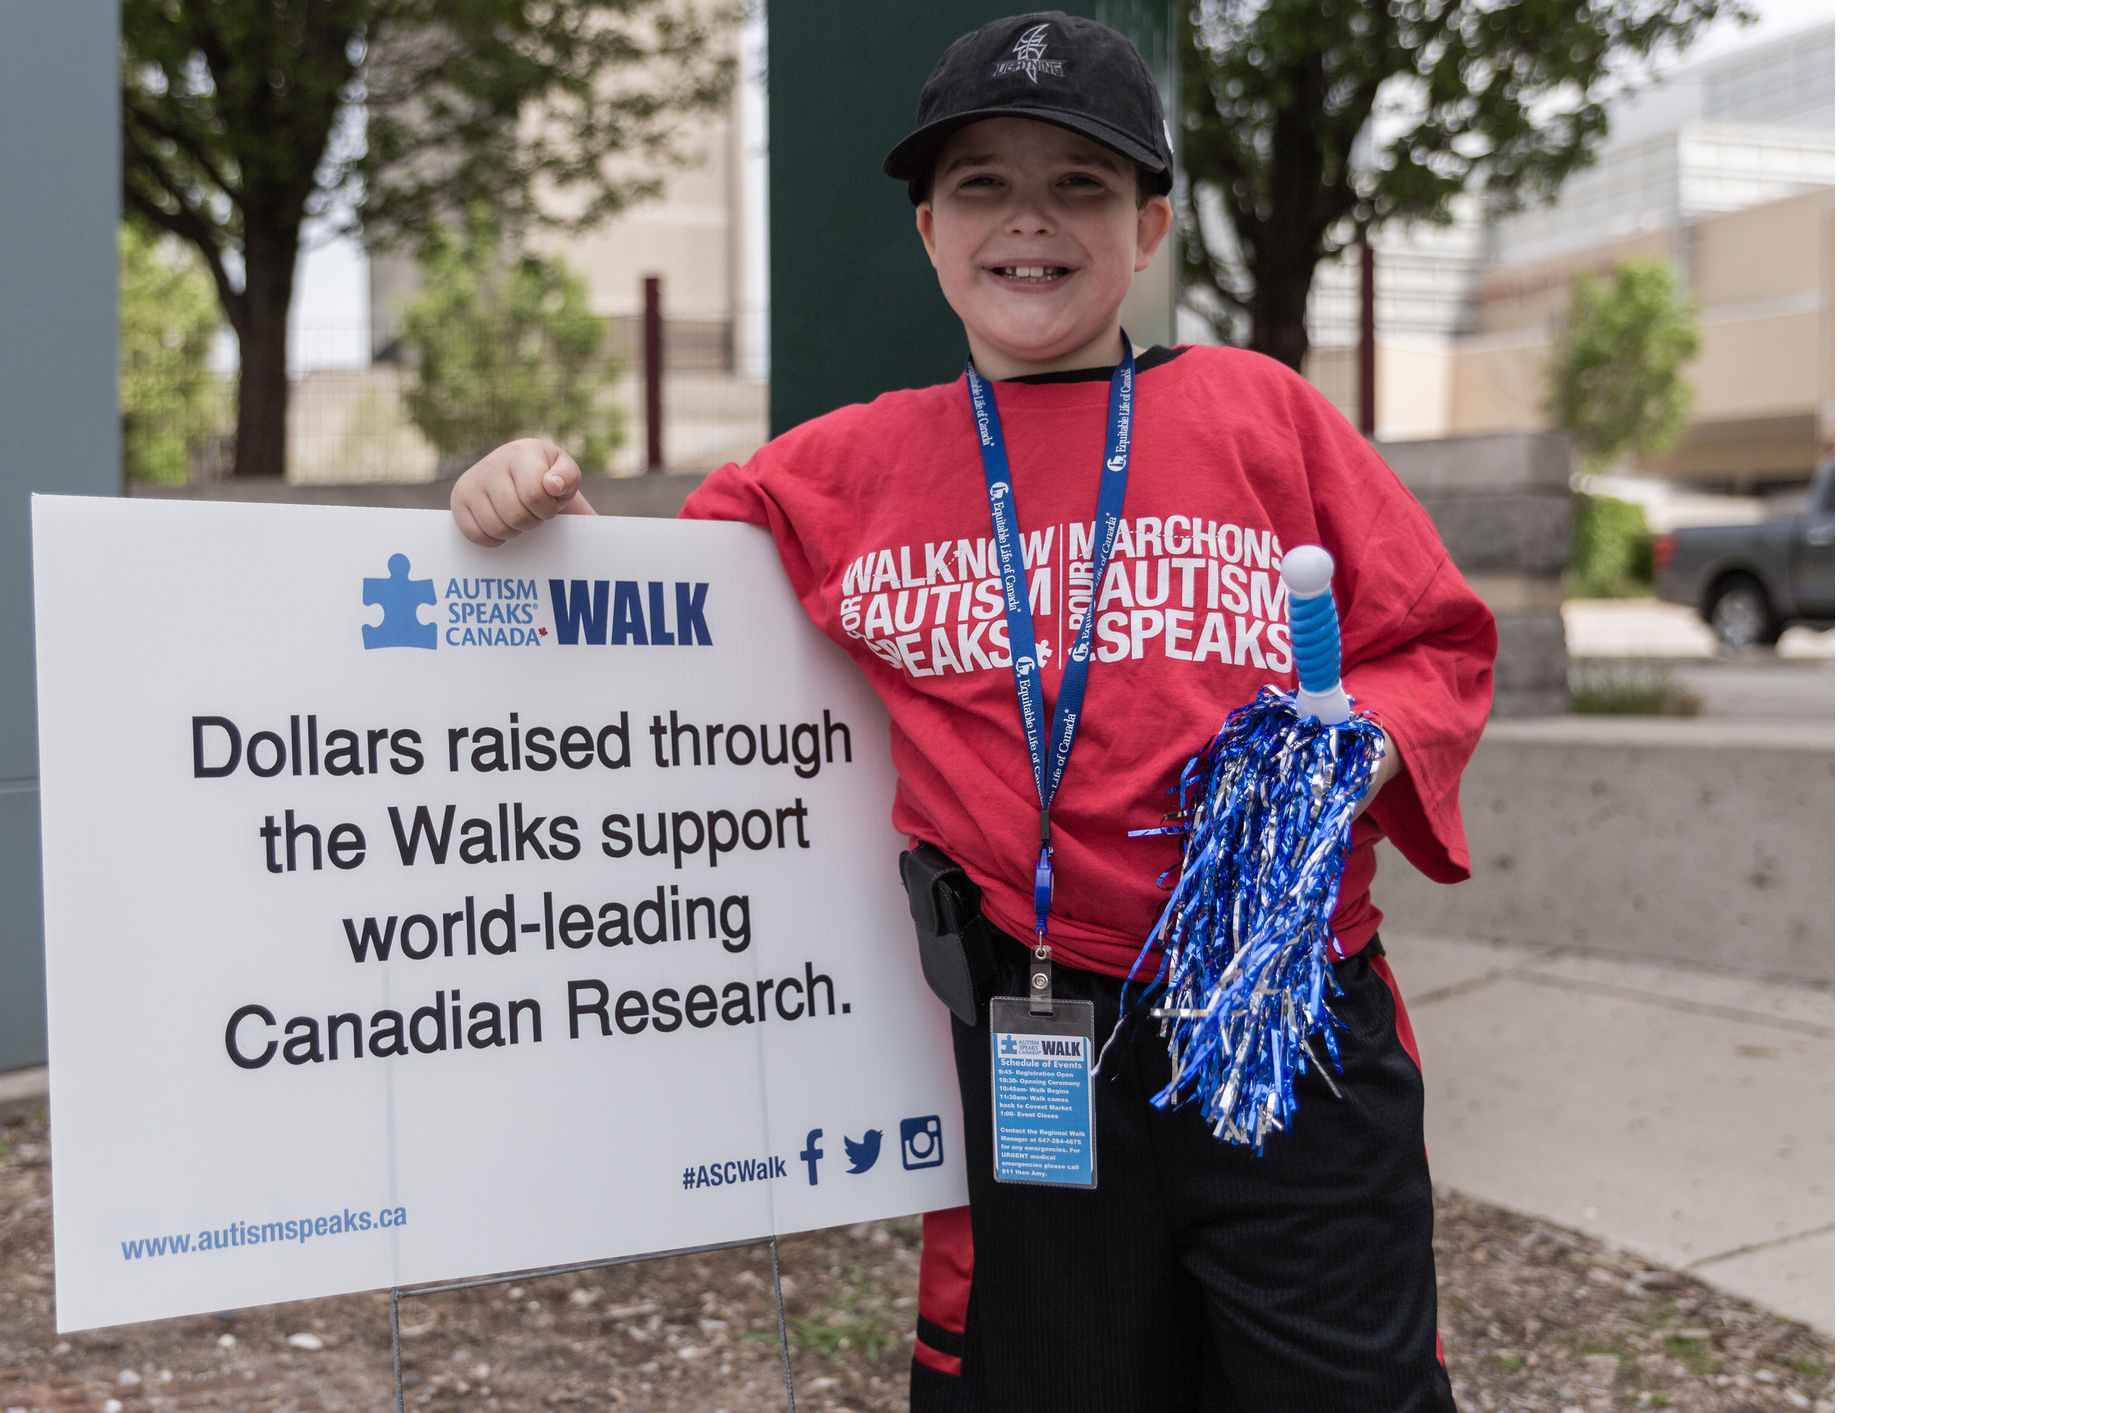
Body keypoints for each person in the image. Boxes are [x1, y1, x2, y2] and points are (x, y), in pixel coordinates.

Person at [450, 12, 1493, 1409]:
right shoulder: (847, 466)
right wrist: (538, 501)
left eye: (1082, 184)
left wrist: (1351, 750)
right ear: (931, 229)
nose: (1032, 222)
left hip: (1281, 1019)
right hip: (1036, 1022)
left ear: (1151, 228)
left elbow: (1434, 641)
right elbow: (662, 624)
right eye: (986, 185)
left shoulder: (1261, 414)